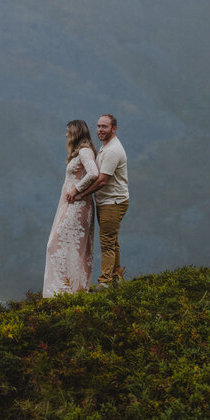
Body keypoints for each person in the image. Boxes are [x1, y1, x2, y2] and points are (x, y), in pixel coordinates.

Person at [70, 114, 128, 290]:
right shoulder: (105, 147)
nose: (100, 130)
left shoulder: (112, 151)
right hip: (107, 201)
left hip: (113, 202)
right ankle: (117, 278)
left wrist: (81, 192)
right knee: (113, 240)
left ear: (114, 129)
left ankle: (104, 282)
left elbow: (102, 180)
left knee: (107, 242)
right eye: (99, 126)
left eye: (105, 127)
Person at [42, 120, 99, 297]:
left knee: (56, 245)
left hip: (78, 205)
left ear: (76, 133)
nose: (66, 135)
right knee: (66, 246)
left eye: (68, 132)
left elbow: (94, 173)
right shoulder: (80, 152)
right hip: (72, 203)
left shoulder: (85, 151)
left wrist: (77, 189)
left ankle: (64, 289)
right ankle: (67, 289)